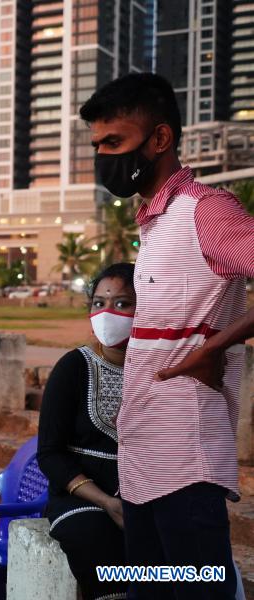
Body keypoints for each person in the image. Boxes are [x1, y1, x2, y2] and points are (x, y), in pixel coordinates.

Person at [80, 73, 254, 599]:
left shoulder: (208, 209)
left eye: (114, 142)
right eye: (97, 145)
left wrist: (214, 348)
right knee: (149, 588)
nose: (103, 156)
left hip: (187, 457)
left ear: (159, 140)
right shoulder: (154, 223)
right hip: (142, 455)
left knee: (199, 588)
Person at [38, 263, 135, 600]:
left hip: (144, 495)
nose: (108, 312)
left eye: (122, 303)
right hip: (82, 499)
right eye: (99, 303)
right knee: (96, 540)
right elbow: (50, 453)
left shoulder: (160, 370)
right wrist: (106, 501)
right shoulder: (74, 367)